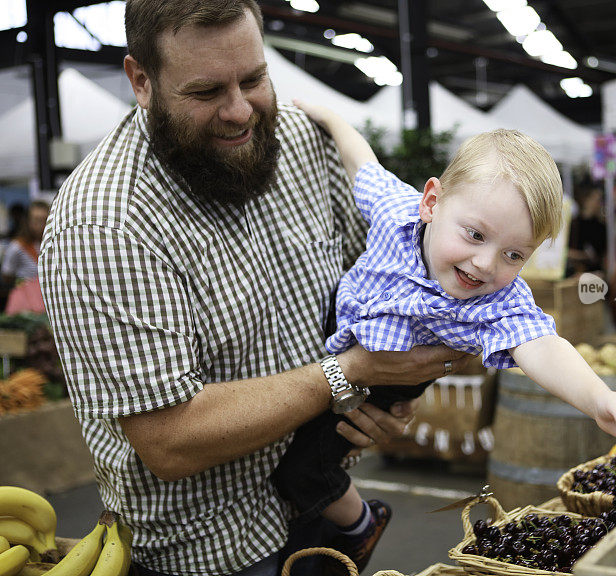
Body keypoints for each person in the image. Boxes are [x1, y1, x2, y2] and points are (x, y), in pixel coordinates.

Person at [38, 3, 472, 576]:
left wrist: (394, 393)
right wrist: (353, 372)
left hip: (318, 502)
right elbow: (171, 439)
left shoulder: (300, 143)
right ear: (141, 81)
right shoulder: (106, 226)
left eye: (254, 78)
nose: (240, 111)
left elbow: (378, 274)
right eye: (206, 91)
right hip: (209, 552)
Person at [277, 100, 616, 551]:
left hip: (385, 386)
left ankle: (359, 527)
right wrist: (333, 120)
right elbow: (363, 165)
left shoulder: (493, 301)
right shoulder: (398, 212)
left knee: (299, 469)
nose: (485, 264)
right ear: (431, 202)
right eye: (474, 234)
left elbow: (541, 344)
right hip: (341, 338)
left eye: (514, 254)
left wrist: (600, 399)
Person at [1, 200, 49, 286]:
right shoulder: (17, 246)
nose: (40, 224)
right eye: (36, 220)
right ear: (28, 221)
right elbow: (6, 275)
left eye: (44, 220)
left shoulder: (52, 244)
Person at [567, 182, 606, 275]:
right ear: (586, 199)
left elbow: (597, 256)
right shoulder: (573, 223)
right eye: (596, 199)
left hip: (593, 273)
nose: (599, 204)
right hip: (575, 273)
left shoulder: (601, 227)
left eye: (600, 200)